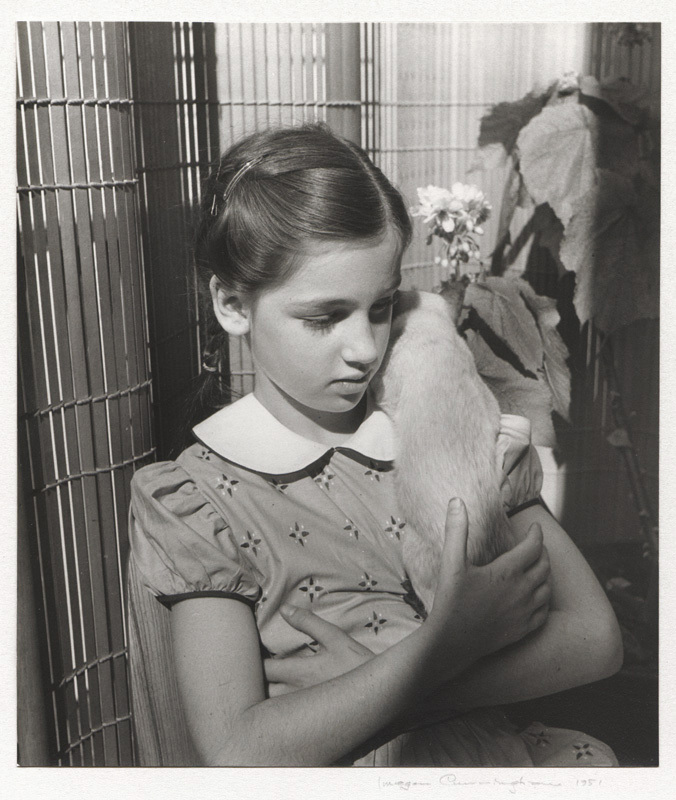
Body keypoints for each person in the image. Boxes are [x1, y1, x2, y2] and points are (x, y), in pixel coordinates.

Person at [128, 123, 622, 767]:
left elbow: (595, 639)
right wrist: (440, 653)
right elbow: (236, 752)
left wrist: (411, 680)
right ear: (231, 303)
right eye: (323, 316)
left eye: (382, 307)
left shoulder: (438, 422)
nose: (364, 349)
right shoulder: (199, 497)